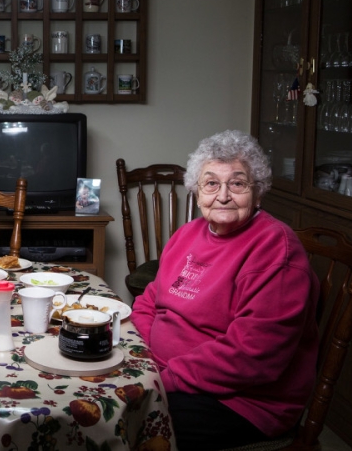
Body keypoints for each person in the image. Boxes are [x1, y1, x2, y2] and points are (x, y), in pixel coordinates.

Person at [131, 129, 319, 449]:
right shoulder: (188, 233)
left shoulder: (275, 249)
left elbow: (252, 355)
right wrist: (144, 356)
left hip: (241, 403)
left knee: (126, 421)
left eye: (237, 183)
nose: (223, 195)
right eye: (211, 183)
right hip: (165, 373)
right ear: (197, 191)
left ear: (257, 192)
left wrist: (164, 379)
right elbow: (150, 301)